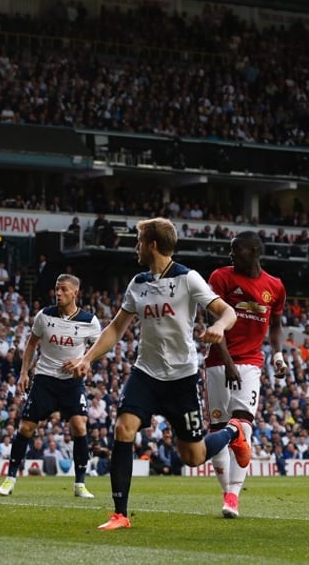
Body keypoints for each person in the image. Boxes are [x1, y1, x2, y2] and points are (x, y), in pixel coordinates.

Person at [63, 218, 248, 531]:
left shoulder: (188, 278)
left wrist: (218, 326)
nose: (135, 247)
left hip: (182, 378)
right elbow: (116, 329)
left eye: (138, 241)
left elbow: (227, 311)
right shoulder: (138, 283)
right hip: (145, 374)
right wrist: (87, 357)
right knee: (123, 428)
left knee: (193, 456)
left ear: (152, 245)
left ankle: (233, 431)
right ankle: (120, 514)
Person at [0, 274, 101, 499]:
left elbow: (99, 349)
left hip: (72, 382)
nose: (58, 293)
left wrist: (83, 361)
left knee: (79, 426)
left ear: (75, 293)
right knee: (26, 428)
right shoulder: (44, 316)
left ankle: (80, 483)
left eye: (63, 289)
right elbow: (31, 344)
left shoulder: (90, 321)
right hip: (45, 379)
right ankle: (10, 479)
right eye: (56, 289)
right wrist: (24, 372)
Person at [205, 231, 287, 518]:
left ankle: (233, 497)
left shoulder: (275, 286)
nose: (230, 254)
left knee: (244, 425)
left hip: (251, 363)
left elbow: (276, 325)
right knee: (218, 430)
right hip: (218, 362)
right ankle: (225, 491)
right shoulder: (220, 277)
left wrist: (278, 355)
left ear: (253, 252)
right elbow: (214, 322)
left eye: (235, 249)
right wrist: (228, 363)